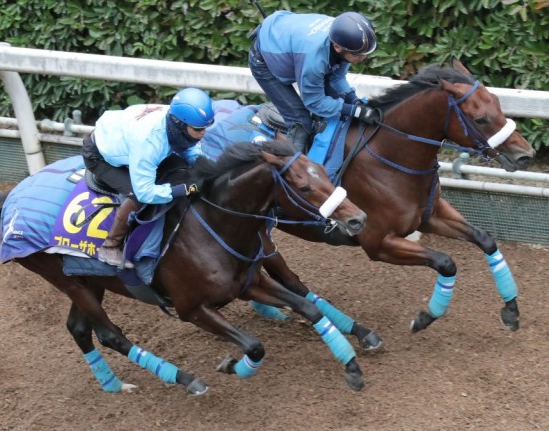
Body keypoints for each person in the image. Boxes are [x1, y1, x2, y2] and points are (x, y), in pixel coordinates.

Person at [82, 87, 215, 266]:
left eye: (206, 127)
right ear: (181, 124)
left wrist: (205, 169)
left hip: (124, 135)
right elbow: (145, 192)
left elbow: (190, 148)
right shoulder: (148, 142)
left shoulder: (176, 121)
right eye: (198, 128)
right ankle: (110, 246)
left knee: (181, 168)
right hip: (98, 156)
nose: (203, 133)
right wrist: (182, 189)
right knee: (136, 196)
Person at [248, 10, 381, 153]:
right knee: (301, 120)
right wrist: (354, 111)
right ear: (337, 47)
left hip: (287, 35)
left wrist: (354, 101)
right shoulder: (314, 60)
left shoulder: (343, 37)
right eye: (359, 55)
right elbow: (314, 102)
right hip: (264, 61)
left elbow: (336, 79)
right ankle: (289, 169)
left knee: (338, 104)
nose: (364, 58)